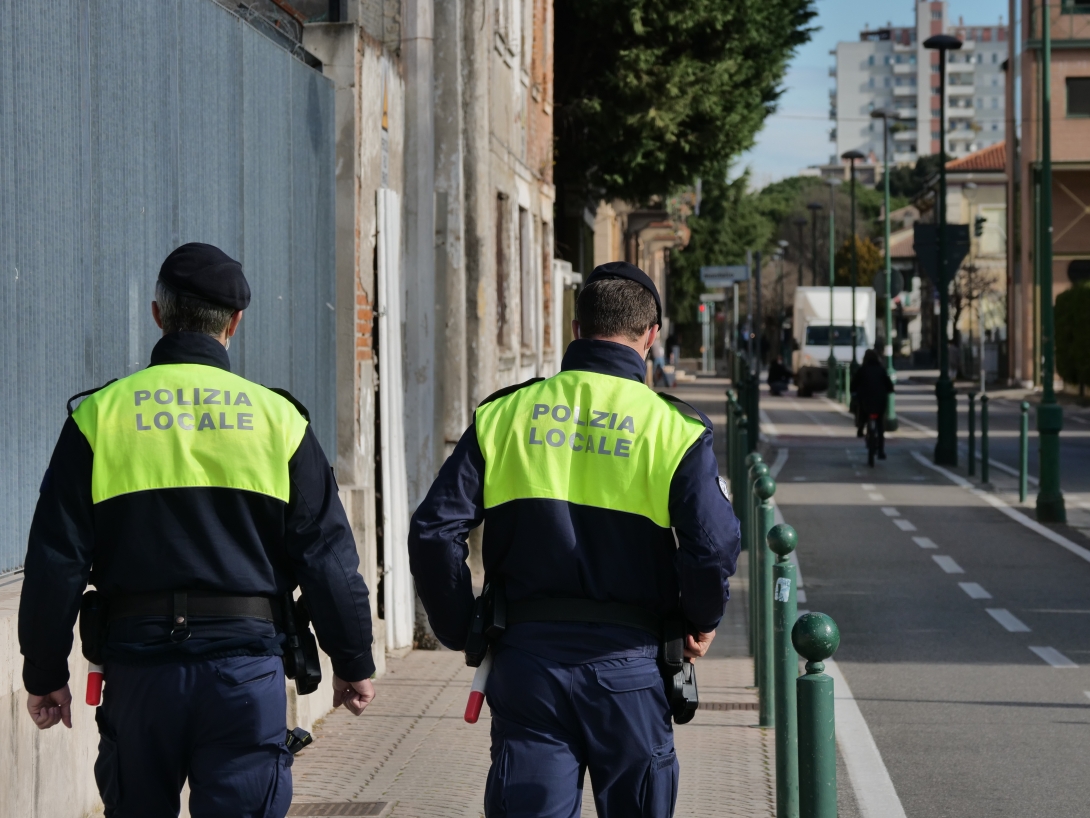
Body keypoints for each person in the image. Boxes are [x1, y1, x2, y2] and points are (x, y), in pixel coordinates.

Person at [18, 243, 377, 817]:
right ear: (234, 324)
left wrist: (45, 671)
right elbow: (328, 558)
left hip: (138, 674)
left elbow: (54, 560)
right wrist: (353, 661)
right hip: (244, 674)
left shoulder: (99, 418)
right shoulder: (278, 422)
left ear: (159, 315)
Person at [408, 261, 740, 818]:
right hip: (630, 668)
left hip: (529, 666)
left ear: (576, 328)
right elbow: (711, 546)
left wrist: (462, 627)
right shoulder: (674, 429)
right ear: (651, 335)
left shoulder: (505, 415)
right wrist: (699, 619)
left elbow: (434, 531)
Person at [851, 348, 895, 458]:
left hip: (865, 402)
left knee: (861, 413)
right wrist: (889, 390)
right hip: (880, 402)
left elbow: (853, 385)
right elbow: (889, 386)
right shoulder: (881, 370)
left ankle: (860, 428)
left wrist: (854, 392)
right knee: (880, 424)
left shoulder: (863, 369)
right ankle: (881, 450)